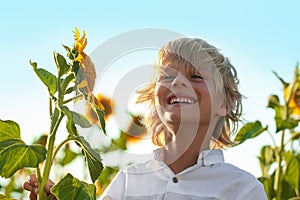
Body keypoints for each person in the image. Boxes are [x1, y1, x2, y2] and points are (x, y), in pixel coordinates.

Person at [23, 37, 268, 199]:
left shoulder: (242, 189)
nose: (178, 82)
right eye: (167, 75)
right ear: (155, 99)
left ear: (224, 104)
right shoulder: (127, 182)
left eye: (196, 77)